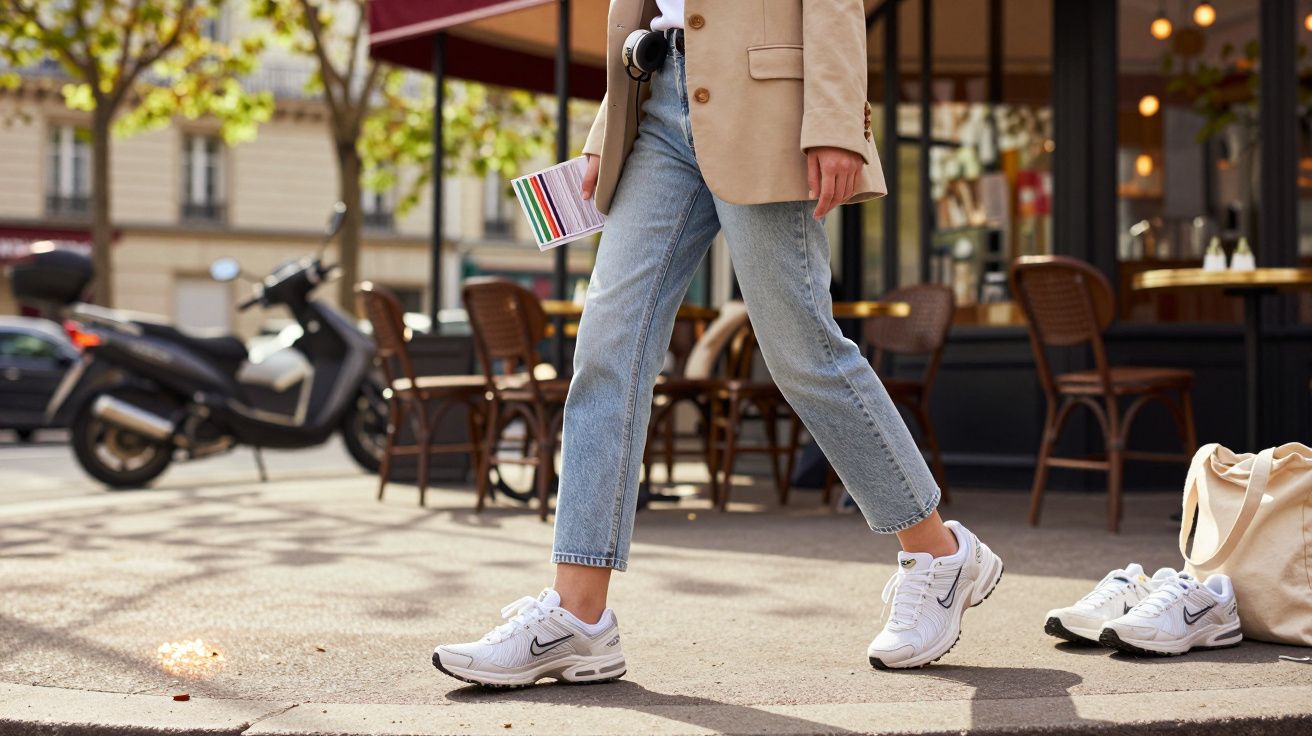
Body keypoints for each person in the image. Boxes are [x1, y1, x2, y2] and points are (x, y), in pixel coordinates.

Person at [432, 0, 1003, 688]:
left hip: (762, 102)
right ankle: (579, 619)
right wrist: (606, 125)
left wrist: (834, 121)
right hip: (655, 101)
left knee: (802, 353)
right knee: (606, 353)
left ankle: (938, 553)